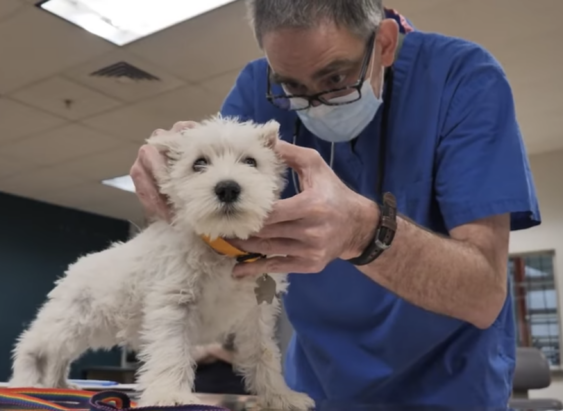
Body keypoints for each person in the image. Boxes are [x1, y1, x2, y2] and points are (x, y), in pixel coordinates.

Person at [130, 0, 540, 407]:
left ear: (383, 43)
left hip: (448, 388)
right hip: (316, 386)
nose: (314, 103)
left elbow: (485, 294)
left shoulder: (461, 77)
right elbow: (215, 235)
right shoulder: (258, 89)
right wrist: (180, 165)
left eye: (336, 77)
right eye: (292, 86)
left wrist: (364, 232)